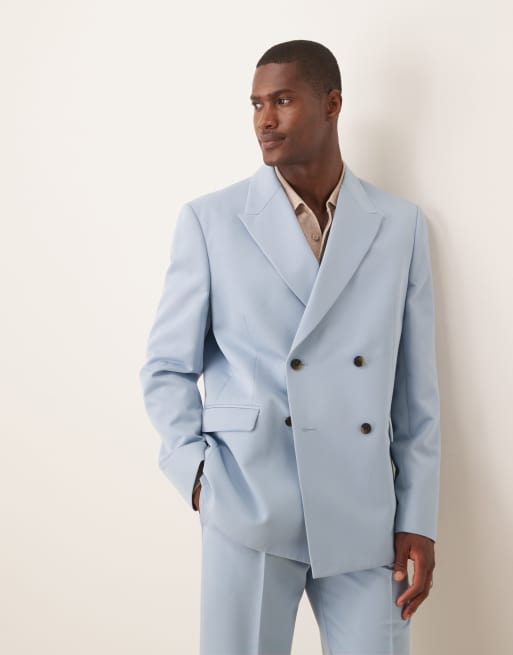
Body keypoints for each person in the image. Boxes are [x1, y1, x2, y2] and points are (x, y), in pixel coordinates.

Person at [139, 39, 441, 655]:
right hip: (249, 500)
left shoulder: (399, 225)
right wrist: (198, 476)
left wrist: (417, 516)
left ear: (332, 104)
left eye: (282, 100)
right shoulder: (211, 221)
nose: (265, 120)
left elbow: (415, 391)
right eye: (256, 104)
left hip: (363, 511)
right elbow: (166, 368)